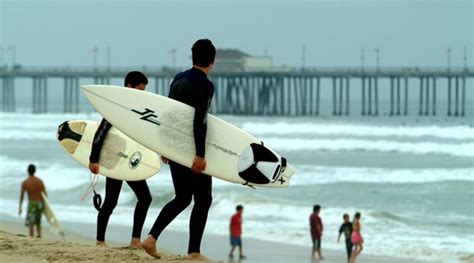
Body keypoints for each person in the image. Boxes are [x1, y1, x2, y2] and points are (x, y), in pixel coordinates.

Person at [141, 39, 216, 260]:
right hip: (191, 150)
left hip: (174, 146)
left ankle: (151, 239)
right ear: (212, 61)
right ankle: (194, 252)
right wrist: (200, 154)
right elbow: (199, 120)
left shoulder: (178, 79)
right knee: (203, 199)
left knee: (183, 197)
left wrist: (165, 146)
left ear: (192, 57)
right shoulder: (205, 85)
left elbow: (169, 114)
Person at [89, 71, 152, 248]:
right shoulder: (116, 108)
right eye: (139, 90)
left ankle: (135, 240)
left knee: (145, 198)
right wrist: (94, 159)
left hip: (131, 161)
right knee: (111, 201)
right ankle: (100, 241)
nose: (141, 94)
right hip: (115, 160)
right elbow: (100, 133)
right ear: (128, 87)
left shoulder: (137, 109)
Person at [19, 164, 46, 238]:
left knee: (31, 223)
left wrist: (20, 207)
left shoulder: (25, 182)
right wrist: (44, 206)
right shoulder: (40, 181)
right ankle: (39, 235)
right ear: (35, 171)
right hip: (40, 203)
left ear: (27, 171)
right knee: (38, 222)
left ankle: (31, 236)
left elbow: (22, 196)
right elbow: (45, 195)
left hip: (32, 204)